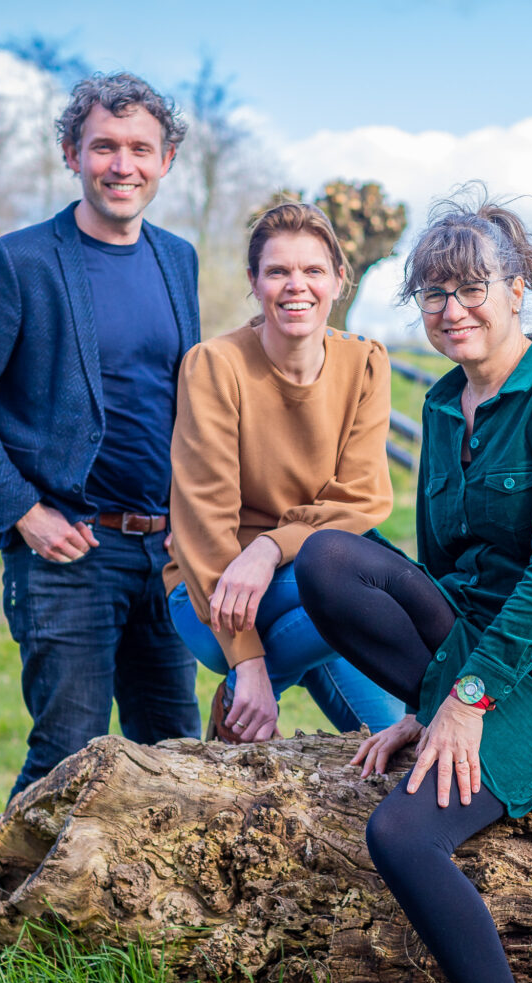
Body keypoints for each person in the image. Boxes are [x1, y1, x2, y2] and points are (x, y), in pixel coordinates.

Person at [296, 190, 532, 983]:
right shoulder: (445, 408)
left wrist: (470, 699)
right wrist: (423, 706)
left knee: (402, 836)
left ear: (519, 287)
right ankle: (435, 705)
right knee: (328, 561)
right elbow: (442, 570)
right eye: (434, 295)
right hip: (473, 637)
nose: (453, 310)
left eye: (473, 287)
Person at [0, 72, 201, 800]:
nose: (122, 165)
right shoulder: (18, 262)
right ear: (70, 154)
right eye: (103, 146)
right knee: (64, 758)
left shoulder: (179, 260)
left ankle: (144, 914)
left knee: (174, 759)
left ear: (166, 159)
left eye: (140, 148)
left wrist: (196, 520)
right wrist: (23, 512)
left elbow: (189, 402)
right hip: (68, 552)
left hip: (166, 552)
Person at [163, 202, 404, 743]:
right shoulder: (215, 365)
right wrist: (246, 662)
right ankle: (249, 686)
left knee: (391, 743)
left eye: (313, 270)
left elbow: (362, 497)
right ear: (255, 282)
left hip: (316, 574)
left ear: (339, 280)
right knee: (366, 592)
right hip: (217, 590)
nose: (297, 286)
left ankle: (232, 724)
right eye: (278, 271)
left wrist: (269, 549)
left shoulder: (366, 363)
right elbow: (203, 522)